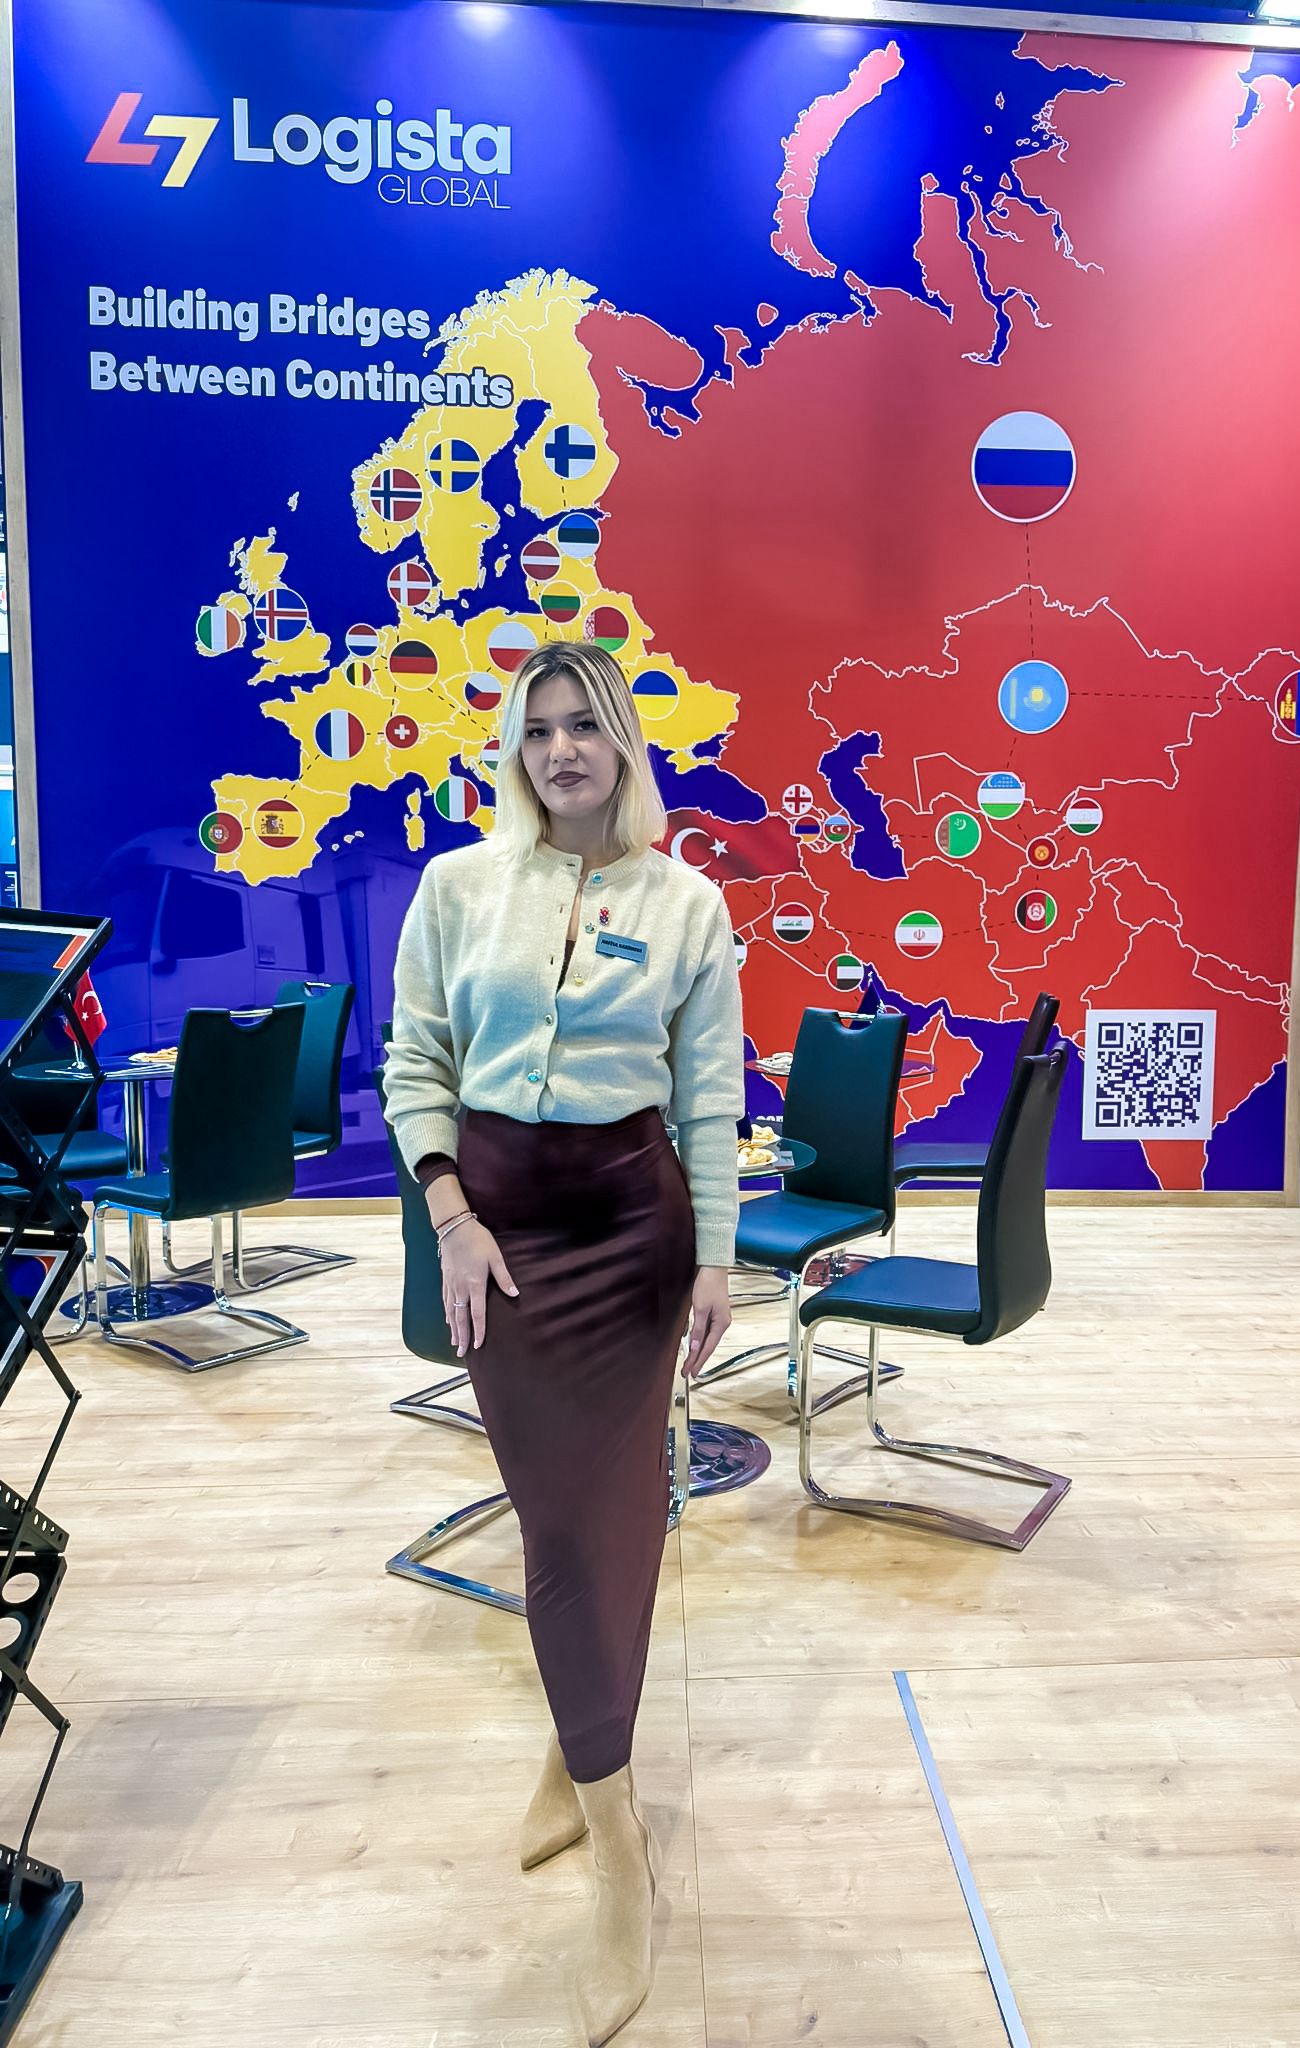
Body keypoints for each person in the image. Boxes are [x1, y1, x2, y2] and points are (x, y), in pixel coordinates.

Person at [382, 638, 743, 2045]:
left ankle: (599, 1808)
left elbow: (706, 1101)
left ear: (622, 744)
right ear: (516, 752)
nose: (559, 751)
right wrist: (450, 1219)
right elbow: (416, 1066)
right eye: (536, 730)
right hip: (502, 1236)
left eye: (582, 724)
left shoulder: (687, 903)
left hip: (631, 1230)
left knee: (619, 1519)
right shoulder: (455, 890)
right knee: (557, 1528)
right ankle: (612, 1810)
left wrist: (715, 1258)